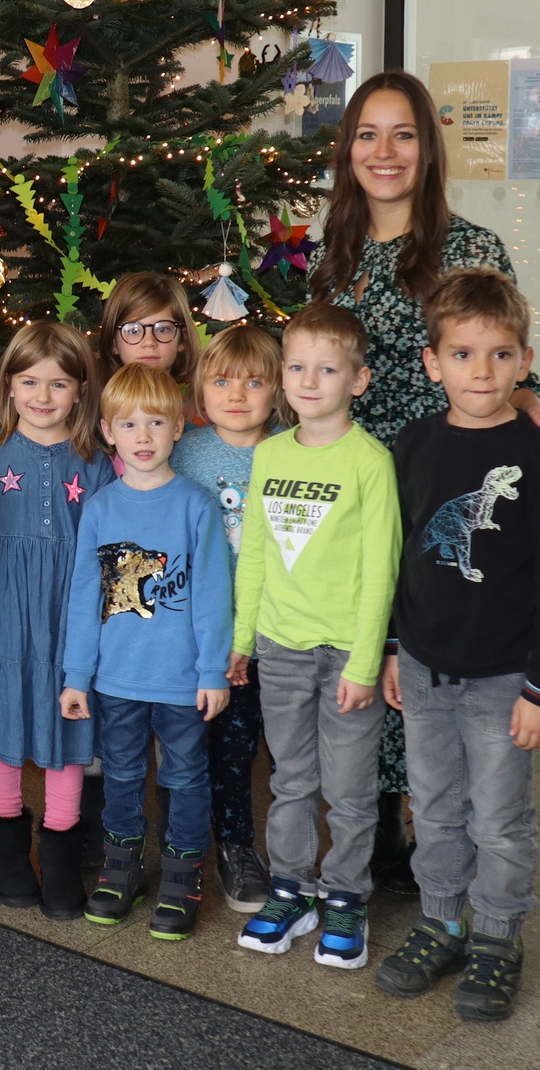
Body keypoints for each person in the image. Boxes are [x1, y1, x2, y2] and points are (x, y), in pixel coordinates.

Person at [307, 70, 540, 892]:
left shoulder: (470, 246)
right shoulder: (333, 255)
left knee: (429, 633)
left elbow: (503, 349)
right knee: (369, 634)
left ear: (428, 150)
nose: (384, 153)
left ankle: (439, 824)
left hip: (435, 477)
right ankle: (378, 811)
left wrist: (531, 398)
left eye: (404, 135)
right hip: (354, 479)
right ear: (348, 149)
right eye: (368, 135)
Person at [373, 269, 540, 1023]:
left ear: (525, 361)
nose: (481, 371)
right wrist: (395, 646)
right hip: (428, 671)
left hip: (507, 677)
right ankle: (442, 918)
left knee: (499, 816)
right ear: (432, 362)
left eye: (500, 355)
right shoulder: (415, 443)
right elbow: (403, 555)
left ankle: (498, 935)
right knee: (433, 807)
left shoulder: (535, 455)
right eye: (463, 354)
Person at [230, 304, 401, 970]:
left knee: (352, 787)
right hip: (280, 646)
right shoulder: (269, 453)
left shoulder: (369, 462)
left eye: (326, 369)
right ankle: (291, 887)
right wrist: (243, 638)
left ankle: (345, 895)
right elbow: (256, 556)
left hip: (345, 657)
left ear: (357, 380)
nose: (308, 379)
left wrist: (365, 662)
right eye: (296, 366)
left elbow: (379, 570)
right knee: (291, 775)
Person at [0, 321, 112, 921]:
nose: (43, 396)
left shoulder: (97, 464)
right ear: (7, 387)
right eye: (30, 381)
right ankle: (8, 851)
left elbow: (109, 558)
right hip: (1, 622)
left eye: (59, 384)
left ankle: (61, 854)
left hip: (69, 624)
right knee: (4, 727)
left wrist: (97, 642)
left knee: (67, 736)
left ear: (81, 391)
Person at [60, 363, 232, 941]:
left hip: (183, 680)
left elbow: (211, 594)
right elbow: (85, 596)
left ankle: (183, 875)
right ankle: (121, 867)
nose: (142, 437)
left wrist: (213, 670)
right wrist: (76, 676)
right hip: (115, 680)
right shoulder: (102, 508)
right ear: (108, 431)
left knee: (185, 776)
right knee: (123, 774)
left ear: (179, 428)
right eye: (128, 424)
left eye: (155, 423)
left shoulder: (196, 506)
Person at [170, 323, 284, 912]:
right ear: (200, 387)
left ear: (277, 390)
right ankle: (233, 846)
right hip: (211, 639)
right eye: (221, 381)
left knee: (288, 752)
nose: (236, 395)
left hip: (283, 634)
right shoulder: (185, 452)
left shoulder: (295, 449)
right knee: (227, 750)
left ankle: (296, 857)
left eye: (254, 382)